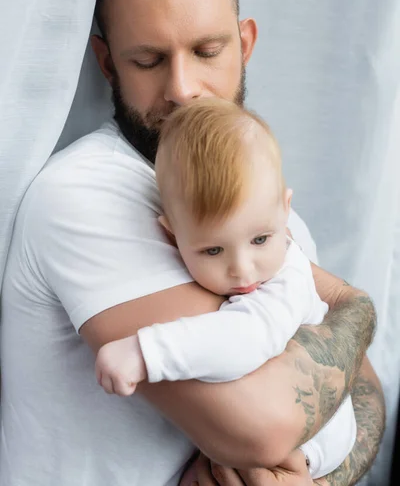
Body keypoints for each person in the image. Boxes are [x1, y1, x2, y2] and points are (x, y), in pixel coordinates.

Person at [0, 0, 384, 486]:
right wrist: (356, 311)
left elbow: (369, 396)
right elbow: (263, 424)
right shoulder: (82, 196)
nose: (183, 89)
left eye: (207, 52)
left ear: (244, 43)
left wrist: (311, 475)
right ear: (108, 64)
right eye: (149, 60)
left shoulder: (255, 203)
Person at [96, 98, 357, 481]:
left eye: (260, 239)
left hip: (320, 437)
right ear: (171, 234)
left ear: (285, 210)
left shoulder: (289, 275)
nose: (242, 268)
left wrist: (145, 351)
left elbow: (248, 338)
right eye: (213, 250)